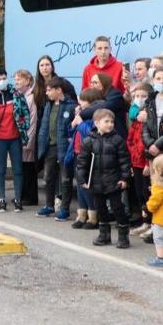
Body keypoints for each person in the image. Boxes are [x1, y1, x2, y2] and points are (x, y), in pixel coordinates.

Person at [76, 108, 131, 248]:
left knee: (118, 208)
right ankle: (104, 234)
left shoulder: (117, 140)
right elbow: (82, 162)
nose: (110, 124)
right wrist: (82, 179)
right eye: (106, 121)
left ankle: (123, 235)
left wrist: (124, 178)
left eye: (112, 121)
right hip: (96, 181)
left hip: (114, 180)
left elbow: (124, 161)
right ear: (96, 123)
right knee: (100, 208)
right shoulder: (88, 141)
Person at [0, 66, 30, 213]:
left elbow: (25, 113)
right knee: (0, 170)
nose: (2, 81)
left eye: (3, 78)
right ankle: (2, 200)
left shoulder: (17, 94)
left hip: (15, 138)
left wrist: (24, 127)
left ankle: (18, 200)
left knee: (18, 170)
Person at [36, 77, 76, 219]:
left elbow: (73, 128)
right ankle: (49, 205)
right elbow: (44, 126)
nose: (47, 93)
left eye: (49, 90)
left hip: (64, 146)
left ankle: (65, 208)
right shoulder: (49, 105)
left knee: (66, 178)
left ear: (59, 90)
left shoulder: (71, 106)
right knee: (48, 177)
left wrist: (69, 140)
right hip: (50, 146)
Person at [64, 88, 103, 229]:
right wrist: (74, 122)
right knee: (80, 185)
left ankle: (93, 216)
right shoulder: (80, 114)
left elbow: (89, 134)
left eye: (84, 100)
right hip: (76, 152)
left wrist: (80, 123)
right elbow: (71, 131)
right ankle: (82, 213)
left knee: (87, 186)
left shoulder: (94, 118)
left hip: (88, 155)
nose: (81, 103)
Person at [126, 82, 153, 235]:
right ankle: (145, 222)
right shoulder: (136, 119)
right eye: (137, 96)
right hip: (136, 162)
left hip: (146, 163)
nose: (139, 99)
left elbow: (148, 143)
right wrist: (132, 159)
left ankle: (152, 223)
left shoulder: (149, 118)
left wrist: (147, 163)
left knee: (148, 192)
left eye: (143, 96)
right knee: (139, 193)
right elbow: (130, 140)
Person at [15, 70, 39, 207]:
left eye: (19, 79)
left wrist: (27, 141)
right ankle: (23, 195)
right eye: (16, 79)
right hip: (19, 138)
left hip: (27, 138)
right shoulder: (20, 96)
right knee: (22, 167)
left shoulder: (31, 98)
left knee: (29, 168)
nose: (16, 82)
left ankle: (30, 197)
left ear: (28, 81)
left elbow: (32, 121)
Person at [142, 65, 163, 158]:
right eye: (158, 78)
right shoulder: (150, 99)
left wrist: (158, 145)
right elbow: (145, 126)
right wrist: (150, 145)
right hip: (151, 150)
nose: (161, 81)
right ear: (153, 80)